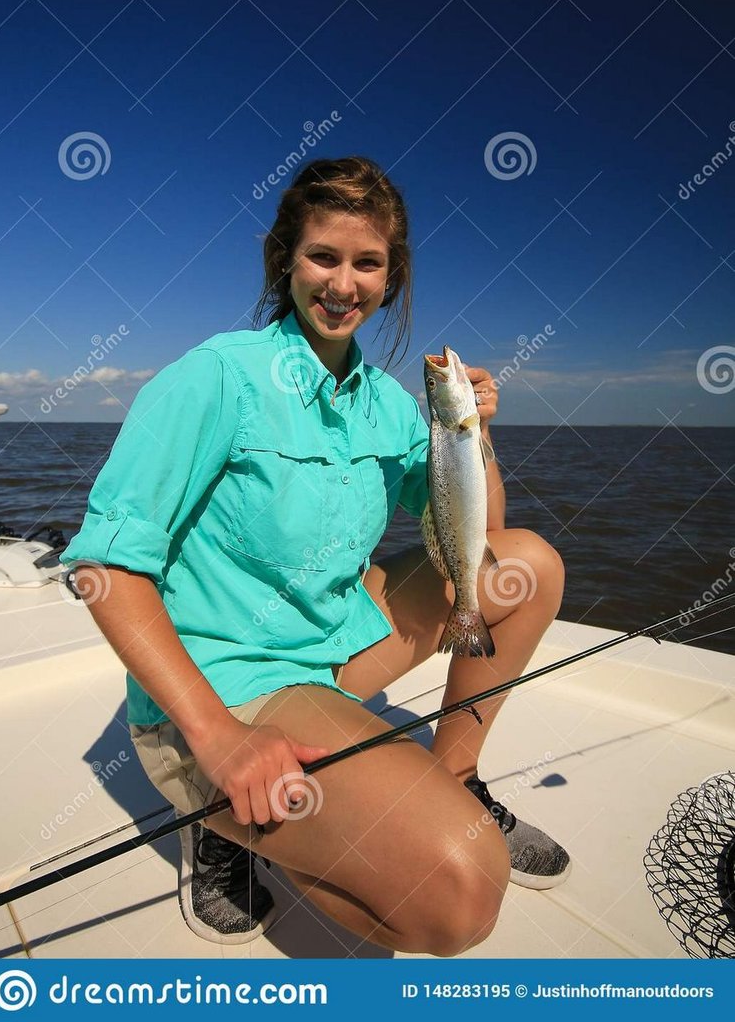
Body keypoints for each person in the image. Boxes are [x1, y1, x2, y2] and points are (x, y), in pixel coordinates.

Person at [60, 156, 569, 957]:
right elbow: (104, 572)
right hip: (231, 681)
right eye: (322, 257)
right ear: (285, 262)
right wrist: (219, 737)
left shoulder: (388, 405)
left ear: (390, 277)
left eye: (367, 263)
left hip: (328, 652)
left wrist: (469, 434)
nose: (343, 283)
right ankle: (229, 821)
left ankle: (456, 773)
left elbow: (478, 542)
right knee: (461, 892)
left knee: (528, 562)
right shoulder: (215, 378)